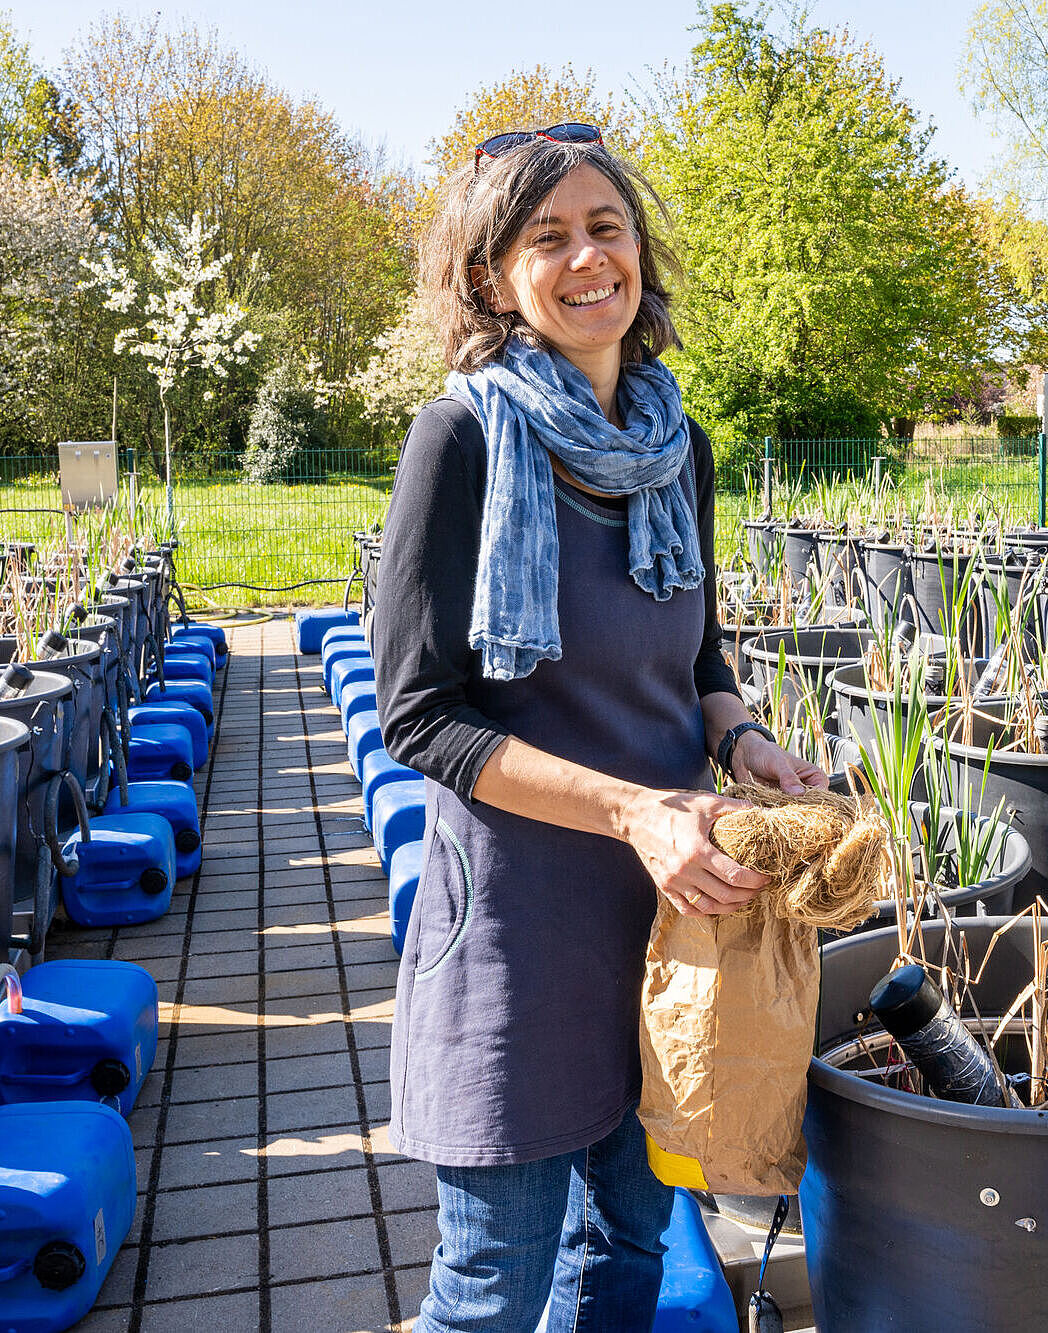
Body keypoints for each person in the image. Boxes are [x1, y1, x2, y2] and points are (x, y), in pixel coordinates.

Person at [372, 124, 827, 1333]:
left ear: (639, 254)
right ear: (493, 278)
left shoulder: (681, 448)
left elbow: (700, 654)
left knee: (626, 1248)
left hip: (673, 920)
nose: (586, 259)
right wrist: (633, 808)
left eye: (605, 228)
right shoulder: (459, 439)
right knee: (491, 1289)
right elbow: (420, 716)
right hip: (522, 920)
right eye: (547, 237)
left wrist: (738, 740)